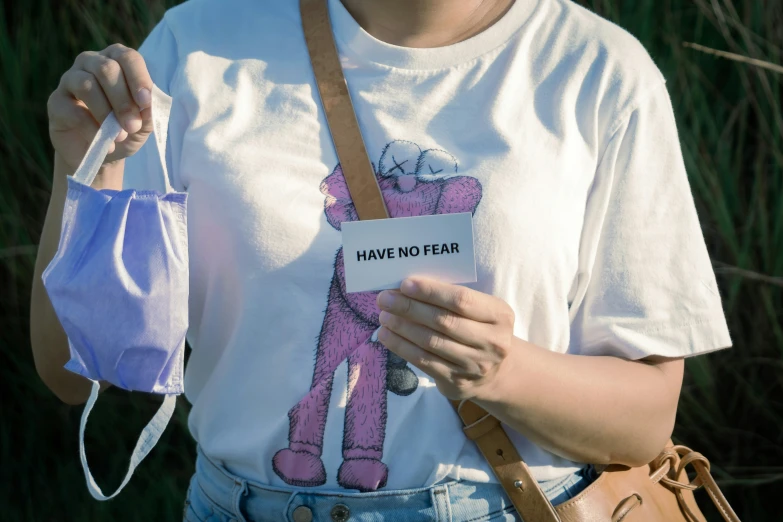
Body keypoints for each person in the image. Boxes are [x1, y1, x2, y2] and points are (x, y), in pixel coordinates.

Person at [31, 0, 733, 520]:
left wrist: (504, 369)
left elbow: (644, 420)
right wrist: (84, 165)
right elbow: (75, 369)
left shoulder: (597, 71)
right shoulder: (198, 49)